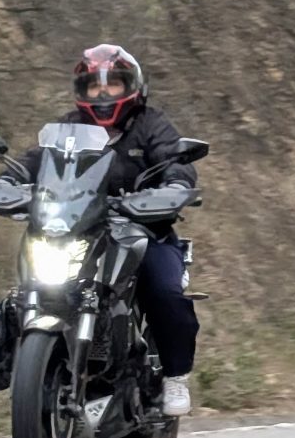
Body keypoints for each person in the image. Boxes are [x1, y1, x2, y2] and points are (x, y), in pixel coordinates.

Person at [28, 43, 200, 416]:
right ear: (82, 91)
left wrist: (174, 186)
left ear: (132, 87)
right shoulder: (68, 129)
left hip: (144, 232)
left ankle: (174, 376)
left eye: (113, 84)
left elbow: (176, 160)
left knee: (165, 292)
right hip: (80, 232)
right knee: (27, 290)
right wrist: (8, 182)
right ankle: (35, 364)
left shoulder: (151, 124)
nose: (103, 93)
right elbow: (35, 161)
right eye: (94, 86)